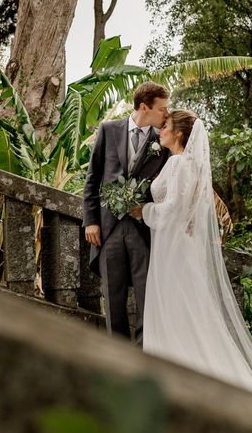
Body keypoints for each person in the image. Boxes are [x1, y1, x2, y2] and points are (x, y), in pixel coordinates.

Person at [129, 110, 252, 404]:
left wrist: (143, 212)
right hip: (179, 248)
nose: (160, 130)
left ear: (179, 134)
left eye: (165, 126)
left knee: (174, 311)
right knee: (187, 313)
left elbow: (174, 211)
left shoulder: (178, 163)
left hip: (173, 251)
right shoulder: (190, 165)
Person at [82, 81, 171, 343]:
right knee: (113, 297)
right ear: (145, 107)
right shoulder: (109, 130)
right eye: (162, 109)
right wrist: (91, 222)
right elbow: (93, 179)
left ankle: (145, 350)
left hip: (143, 229)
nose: (166, 114)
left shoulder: (163, 140)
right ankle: (117, 357)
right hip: (108, 229)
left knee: (147, 296)